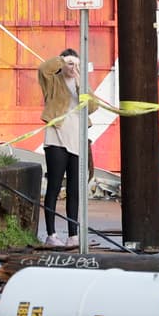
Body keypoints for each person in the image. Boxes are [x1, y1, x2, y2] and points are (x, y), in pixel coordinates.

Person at [37, 48, 94, 248]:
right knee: (54, 186)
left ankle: (73, 235)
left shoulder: (82, 83)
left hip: (77, 140)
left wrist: (79, 84)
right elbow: (43, 69)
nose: (73, 68)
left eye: (77, 64)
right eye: (70, 64)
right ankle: (51, 234)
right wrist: (62, 60)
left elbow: (92, 107)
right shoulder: (53, 81)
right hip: (57, 139)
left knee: (74, 189)